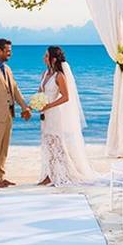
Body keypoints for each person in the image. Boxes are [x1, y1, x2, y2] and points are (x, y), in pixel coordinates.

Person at [37, 46, 100, 186]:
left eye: (46, 56)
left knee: (57, 143)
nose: (44, 58)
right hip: (44, 114)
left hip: (54, 114)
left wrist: (49, 105)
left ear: (53, 59)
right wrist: (36, 104)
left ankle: (62, 173)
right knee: (47, 143)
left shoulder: (59, 76)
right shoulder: (44, 74)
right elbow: (40, 92)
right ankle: (49, 173)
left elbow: (66, 97)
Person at [0, 38, 31, 187]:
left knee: (4, 148)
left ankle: (0, 176)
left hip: (9, 114)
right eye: (8, 51)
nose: (10, 54)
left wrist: (24, 107)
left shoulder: (7, 69)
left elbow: (15, 90)